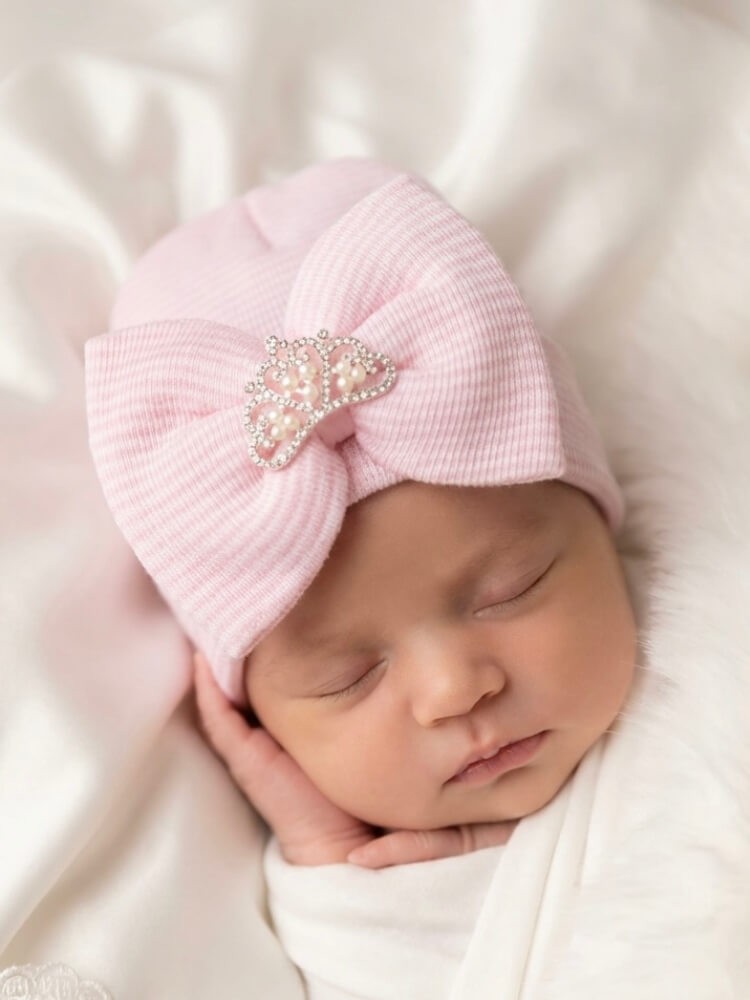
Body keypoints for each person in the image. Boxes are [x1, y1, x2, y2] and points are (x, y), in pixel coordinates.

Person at [84, 156, 638, 998]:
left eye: (513, 588)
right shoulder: (344, 886)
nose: (454, 689)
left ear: (600, 523)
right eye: (348, 677)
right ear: (261, 726)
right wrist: (337, 864)